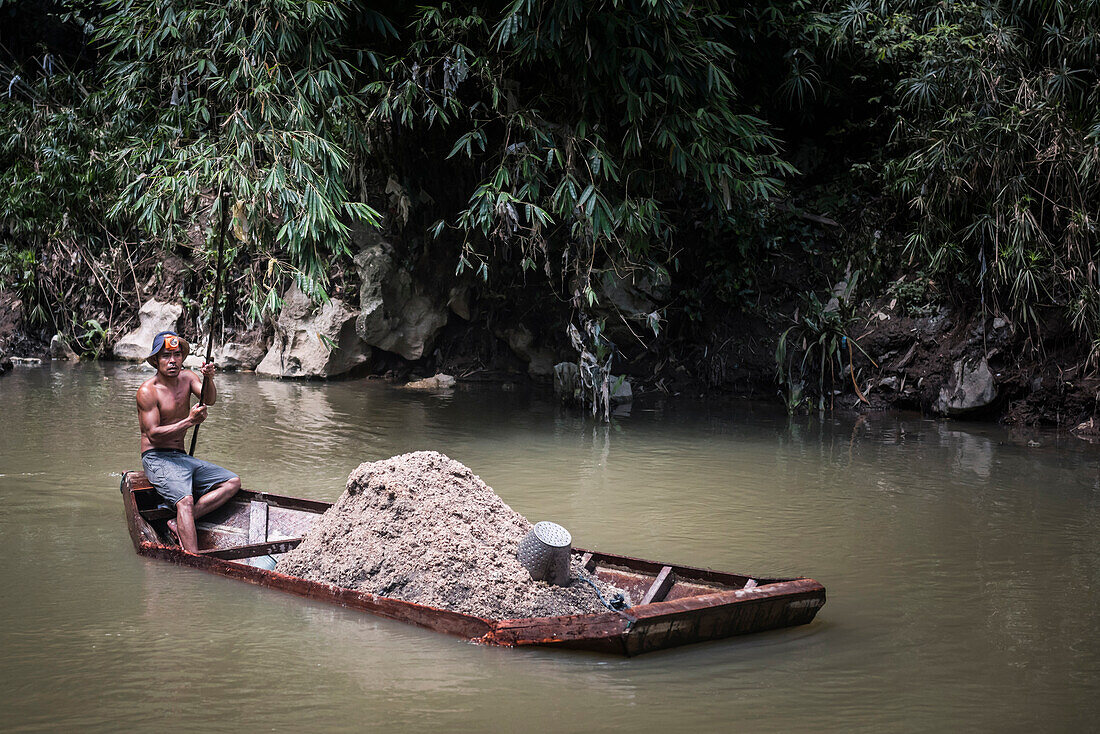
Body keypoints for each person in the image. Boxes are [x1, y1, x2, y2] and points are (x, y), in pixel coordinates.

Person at [136, 330, 241, 552]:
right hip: (156, 458)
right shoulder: (147, 391)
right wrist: (189, 421)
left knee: (232, 482)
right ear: (156, 360)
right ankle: (193, 560)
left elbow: (209, 399)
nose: (172, 361)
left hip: (180, 457)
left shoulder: (188, 377)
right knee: (185, 499)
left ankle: (178, 522)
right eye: (165, 356)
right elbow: (153, 434)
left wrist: (209, 378)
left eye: (176, 355)